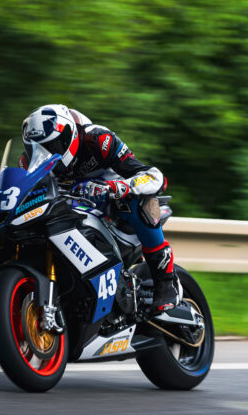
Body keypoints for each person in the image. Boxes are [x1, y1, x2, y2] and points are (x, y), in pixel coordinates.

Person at [20, 104, 180, 313]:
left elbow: (154, 177)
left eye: (51, 146)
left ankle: (166, 283)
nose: (45, 154)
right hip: (71, 209)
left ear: (68, 136)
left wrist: (118, 187)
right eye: (37, 148)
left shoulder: (98, 139)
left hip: (114, 201)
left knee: (141, 203)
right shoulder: (28, 162)